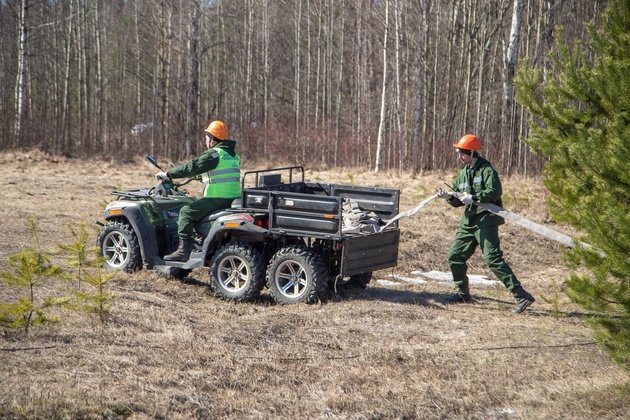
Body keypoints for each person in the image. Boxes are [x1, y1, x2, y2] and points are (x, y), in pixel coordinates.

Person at [436, 134, 535, 313]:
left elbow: (494, 191)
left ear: (472, 152)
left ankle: (521, 295)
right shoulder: (463, 173)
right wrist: (449, 197)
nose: (459, 157)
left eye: (462, 153)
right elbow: (458, 199)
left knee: (493, 259)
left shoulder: (487, 170)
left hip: (486, 219)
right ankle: (463, 294)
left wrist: (474, 197)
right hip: (469, 221)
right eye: (458, 153)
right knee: (455, 256)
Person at [156, 120, 241, 262]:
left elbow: (192, 166)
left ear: (213, 139)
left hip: (217, 198)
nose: (205, 140)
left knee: (186, 212)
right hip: (234, 197)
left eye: (207, 137)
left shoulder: (214, 154)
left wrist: (169, 174)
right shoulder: (233, 155)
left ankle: (183, 251)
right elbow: (220, 174)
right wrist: (199, 177)